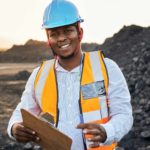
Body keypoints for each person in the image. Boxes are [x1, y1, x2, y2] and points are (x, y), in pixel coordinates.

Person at [7, 0, 133, 149]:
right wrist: (14, 128)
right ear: (48, 40)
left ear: (80, 33)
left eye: (67, 31)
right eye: (54, 34)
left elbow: (124, 115)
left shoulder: (106, 68)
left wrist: (107, 131)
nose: (61, 38)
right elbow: (22, 112)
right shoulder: (39, 75)